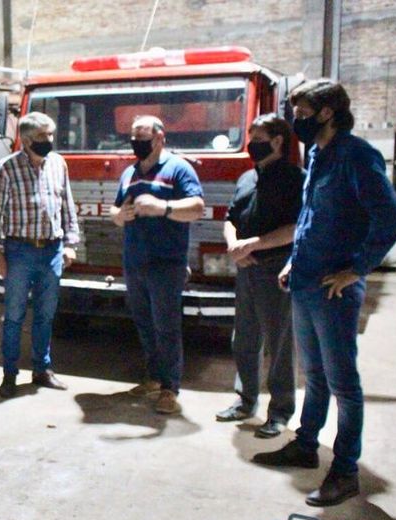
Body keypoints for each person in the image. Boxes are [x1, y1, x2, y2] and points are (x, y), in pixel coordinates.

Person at [253, 79, 396, 507]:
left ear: (327, 112)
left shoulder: (357, 156)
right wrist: (292, 260)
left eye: (301, 113)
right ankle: (305, 445)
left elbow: (389, 217)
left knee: (343, 383)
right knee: (314, 377)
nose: (295, 121)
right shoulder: (317, 154)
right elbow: (311, 216)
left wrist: (356, 269)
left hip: (332, 289)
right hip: (304, 280)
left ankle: (345, 470)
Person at [215, 115, 304, 438]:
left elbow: (297, 228)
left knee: (279, 345)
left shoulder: (295, 179)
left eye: (257, 137)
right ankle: (245, 401)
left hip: (275, 270)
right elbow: (230, 218)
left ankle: (280, 412)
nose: (251, 143)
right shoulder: (247, 179)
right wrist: (233, 245)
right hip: (246, 270)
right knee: (245, 340)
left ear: (278, 141)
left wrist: (255, 244)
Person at [110, 116, 205, 415]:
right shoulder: (130, 172)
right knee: (145, 324)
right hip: (134, 261)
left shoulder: (178, 169)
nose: (137, 143)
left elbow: (197, 208)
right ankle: (154, 377)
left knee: (167, 327)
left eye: (143, 137)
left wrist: (162, 207)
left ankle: (170, 389)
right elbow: (115, 209)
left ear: (160, 138)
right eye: (133, 137)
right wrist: (119, 215)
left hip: (166, 263)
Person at [0, 111, 80, 399]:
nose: (48, 141)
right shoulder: (6, 168)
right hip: (19, 252)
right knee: (14, 315)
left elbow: (67, 207)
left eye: (51, 135)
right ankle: (10, 374)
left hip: (52, 250)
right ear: (25, 140)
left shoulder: (58, 164)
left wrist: (71, 242)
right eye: (42, 137)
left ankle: (42, 369)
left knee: (45, 315)